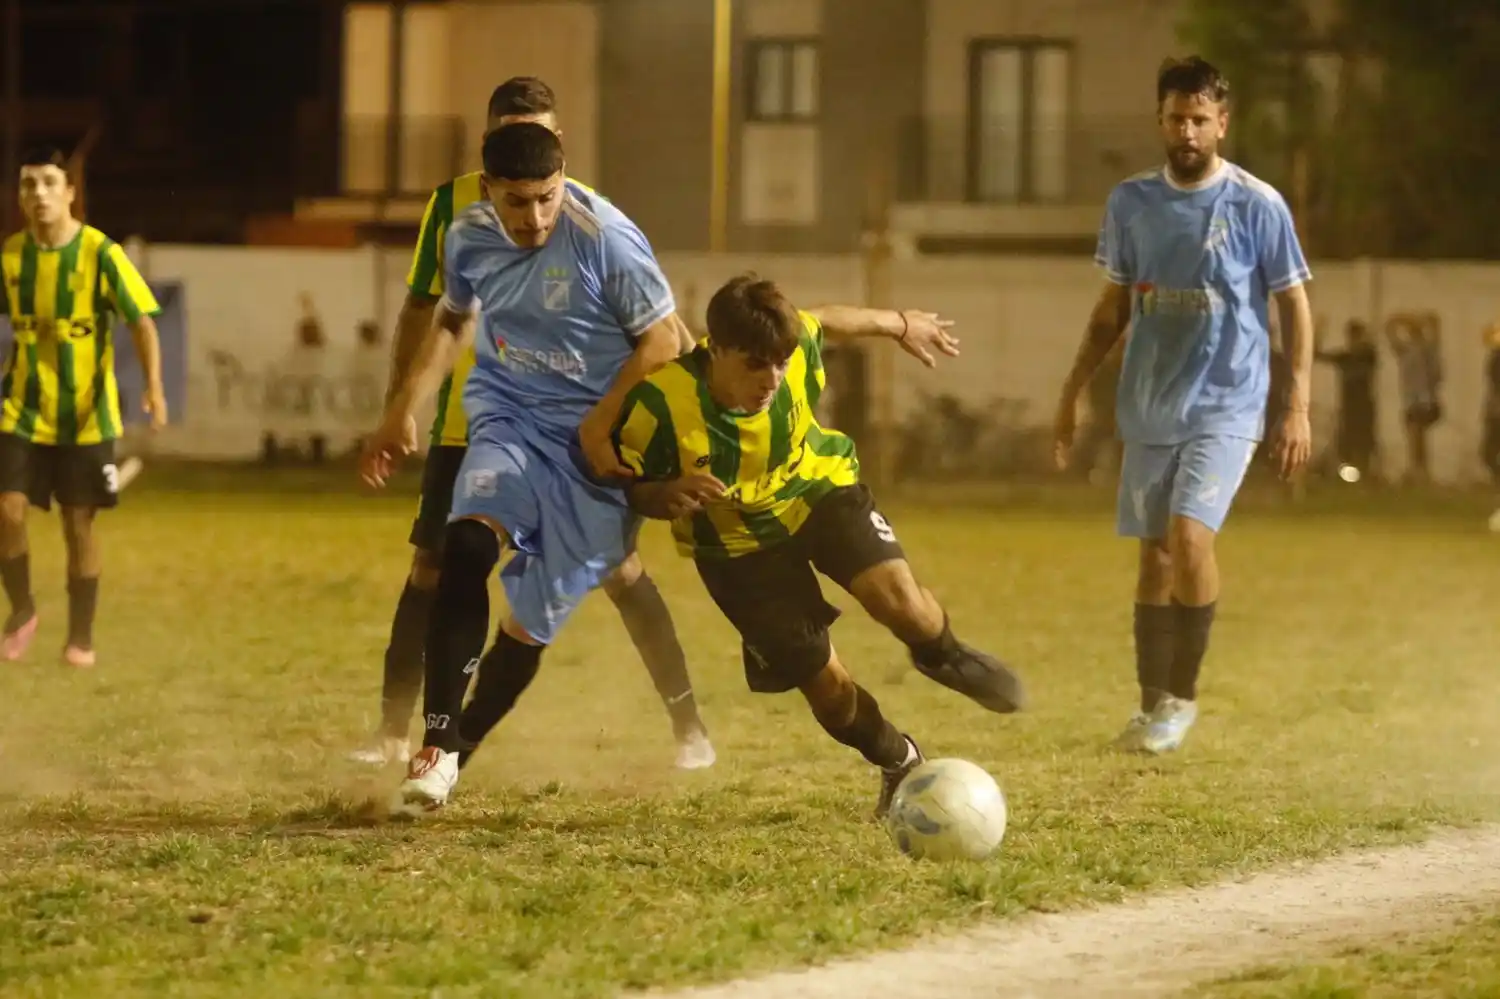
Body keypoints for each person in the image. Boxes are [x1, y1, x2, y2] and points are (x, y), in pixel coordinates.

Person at [350, 77, 713, 772]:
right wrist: (403, 406)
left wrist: (624, 427)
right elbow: (445, 316)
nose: (535, 217)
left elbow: (670, 338)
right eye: (517, 200)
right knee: (451, 555)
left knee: (597, 585)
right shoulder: (460, 225)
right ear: (487, 177)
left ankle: (686, 719)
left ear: (562, 165)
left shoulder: (604, 235)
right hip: (500, 427)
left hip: (589, 443)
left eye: (546, 196)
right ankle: (427, 738)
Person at [612, 275, 1025, 817]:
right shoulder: (661, 404)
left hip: (817, 489)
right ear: (718, 348)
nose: (773, 379)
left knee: (901, 600)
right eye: (756, 365)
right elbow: (624, 484)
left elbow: (825, 319)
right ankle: (898, 758)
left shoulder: (793, 346)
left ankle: (940, 653)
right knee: (827, 689)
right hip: (736, 548)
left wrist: (902, 323)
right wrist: (662, 493)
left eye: (781, 363)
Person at [1051, 56, 1314, 755]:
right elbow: (1110, 310)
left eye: (1201, 119)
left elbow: (1294, 303)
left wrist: (1297, 406)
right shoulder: (1131, 203)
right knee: (1155, 557)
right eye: (1177, 118)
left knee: (1191, 538)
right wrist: (1073, 391)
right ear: (1160, 122)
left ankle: (1181, 699)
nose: (1189, 131)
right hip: (1149, 405)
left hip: (1230, 402)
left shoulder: (1258, 205)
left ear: (1222, 123)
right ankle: (1148, 705)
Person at [0, 146, 167, 667]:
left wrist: (154, 387)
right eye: (29, 184)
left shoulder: (101, 253)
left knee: (79, 525)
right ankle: (23, 608)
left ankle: (80, 637)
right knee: (6, 509)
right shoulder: (10, 257)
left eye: (50, 183)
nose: (39, 194)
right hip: (22, 409)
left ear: (71, 192)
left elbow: (141, 321)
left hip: (87, 415)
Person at [1314, 319, 1378, 479]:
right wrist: (1319, 333)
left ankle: (1366, 473)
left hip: (1364, 406)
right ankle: (1350, 475)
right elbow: (1317, 355)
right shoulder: (1345, 356)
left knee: (1364, 440)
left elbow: (1372, 351)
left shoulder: (1367, 355)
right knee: (1346, 441)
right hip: (1349, 406)